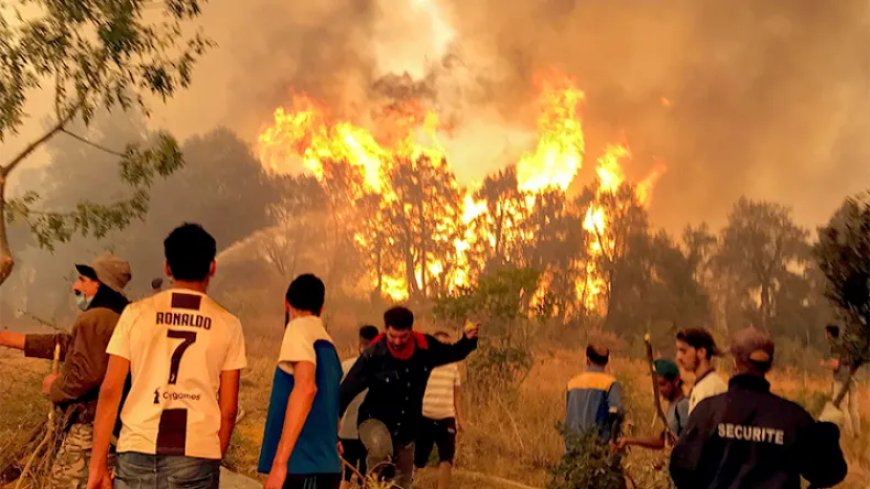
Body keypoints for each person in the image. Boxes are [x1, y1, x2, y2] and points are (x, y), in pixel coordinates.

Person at [86, 223, 247, 489]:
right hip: (196, 457)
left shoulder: (135, 314)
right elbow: (228, 410)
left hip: (135, 452)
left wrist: (97, 465)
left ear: (167, 268)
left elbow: (111, 390)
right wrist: (211, 456)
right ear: (212, 267)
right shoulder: (228, 324)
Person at [0, 253, 131, 489]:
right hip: (120, 429)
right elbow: (66, 344)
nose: (75, 286)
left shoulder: (94, 319)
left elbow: (85, 376)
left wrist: (55, 387)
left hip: (89, 428)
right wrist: (5, 338)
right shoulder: (124, 316)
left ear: (99, 284)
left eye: (82, 280)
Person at [670, 328, 848, 489]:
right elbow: (829, 472)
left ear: (735, 362)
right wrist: (827, 431)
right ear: (769, 365)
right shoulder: (793, 418)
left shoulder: (708, 411)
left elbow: (682, 469)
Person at [339, 307, 479, 489]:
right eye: (392, 336)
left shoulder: (425, 348)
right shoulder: (373, 354)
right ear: (386, 330)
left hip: (406, 429)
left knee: (401, 482)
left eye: (403, 337)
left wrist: (468, 340)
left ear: (410, 331)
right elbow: (347, 389)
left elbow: (452, 352)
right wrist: (334, 420)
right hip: (373, 421)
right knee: (382, 452)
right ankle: (372, 485)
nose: (397, 342)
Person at [258, 274, 344, 489]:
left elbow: (306, 388)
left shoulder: (298, 328)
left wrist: (279, 464)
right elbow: (330, 402)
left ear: (287, 302)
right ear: (321, 309)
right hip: (327, 468)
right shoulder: (327, 342)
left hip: (302, 466)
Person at [414, 331, 466, 489]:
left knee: (447, 459)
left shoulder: (453, 366)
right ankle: (406, 484)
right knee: (418, 460)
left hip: (446, 418)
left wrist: (461, 419)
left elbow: (456, 396)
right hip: (425, 417)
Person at [615, 359, 689, 452]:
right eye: (658, 385)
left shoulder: (683, 405)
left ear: (676, 381)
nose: (660, 390)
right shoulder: (673, 406)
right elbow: (661, 441)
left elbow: (690, 441)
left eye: (663, 384)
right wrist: (628, 440)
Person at [339, 324, 380, 489]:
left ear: (359, 343)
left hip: (346, 429)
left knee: (346, 474)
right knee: (366, 474)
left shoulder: (345, 366)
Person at [565, 344, 623, 442]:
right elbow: (615, 414)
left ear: (587, 360)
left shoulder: (571, 384)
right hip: (598, 449)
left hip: (572, 446)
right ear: (607, 362)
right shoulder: (610, 384)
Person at [822, 324, 861, 437]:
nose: (825, 335)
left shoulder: (834, 346)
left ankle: (849, 434)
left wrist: (824, 364)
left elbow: (835, 364)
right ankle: (857, 432)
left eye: (825, 332)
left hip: (841, 380)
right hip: (852, 378)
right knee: (853, 408)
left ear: (829, 334)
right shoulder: (846, 345)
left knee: (842, 406)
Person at [675, 328, 727, 413]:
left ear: (702, 352)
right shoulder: (701, 385)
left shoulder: (711, 389)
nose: (678, 357)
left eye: (684, 351)